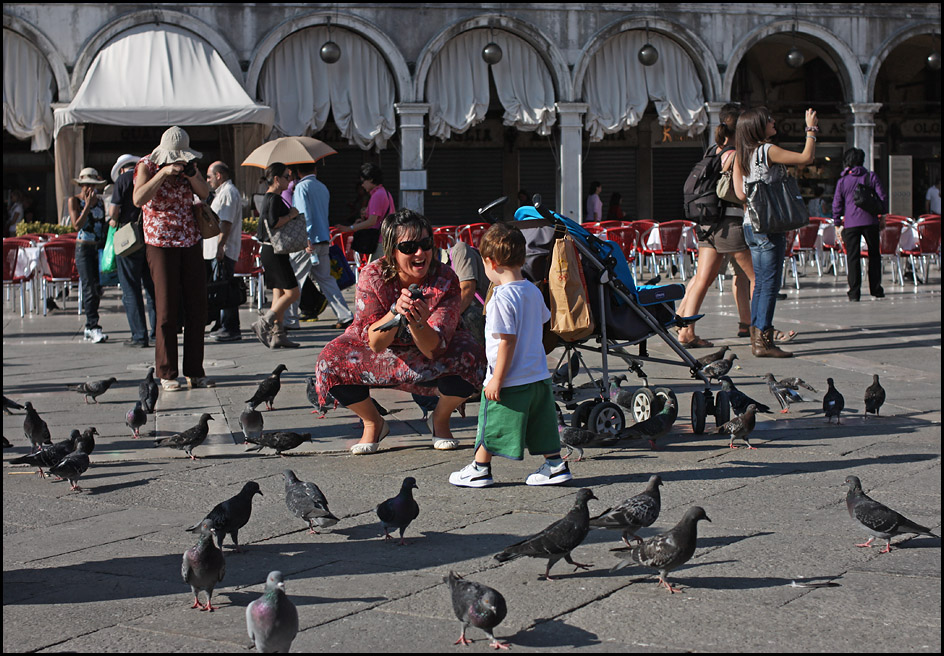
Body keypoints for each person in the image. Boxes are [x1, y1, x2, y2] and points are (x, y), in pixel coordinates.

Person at [314, 209, 486, 455]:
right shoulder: (372, 275)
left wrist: (417, 323)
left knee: (472, 356)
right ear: (392, 250)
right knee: (330, 360)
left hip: (431, 350)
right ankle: (374, 422)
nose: (420, 253)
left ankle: (440, 418)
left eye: (426, 244)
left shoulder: (445, 277)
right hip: (381, 348)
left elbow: (433, 348)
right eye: (409, 247)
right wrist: (396, 313)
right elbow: (374, 343)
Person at [448, 221, 570, 488]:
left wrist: (496, 379)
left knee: (491, 423)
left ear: (491, 263)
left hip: (510, 378)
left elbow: (506, 342)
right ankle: (555, 464)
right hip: (537, 375)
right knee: (542, 425)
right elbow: (541, 324)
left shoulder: (501, 298)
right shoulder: (533, 290)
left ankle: (480, 468)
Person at [132, 125, 215, 390]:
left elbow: (204, 193)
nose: (178, 161)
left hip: (190, 240)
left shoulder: (190, 165)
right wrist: (163, 173)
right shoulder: (147, 165)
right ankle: (167, 373)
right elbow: (138, 198)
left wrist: (191, 175)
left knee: (197, 307)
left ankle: (195, 370)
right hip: (160, 242)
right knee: (166, 308)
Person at [733, 106, 818, 358]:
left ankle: (756, 336)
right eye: (768, 119)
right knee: (769, 285)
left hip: (751, 224)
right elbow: (806, 158)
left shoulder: (741, 154)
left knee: (760, 284)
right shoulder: (766, 150)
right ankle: (764, 342)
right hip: (770, 227)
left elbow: (739, 194)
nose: (773, 121)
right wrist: (811, 129)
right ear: (758, 126)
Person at [676, 103, 756, 348]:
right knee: (758, 278)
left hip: (706, 224)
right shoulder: (733, 154)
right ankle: (762, 329)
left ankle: (685, 331)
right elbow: (739, 193)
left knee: (702, 279)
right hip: (727, 224)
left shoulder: (712, 150)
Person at [291, 162, 353, 329]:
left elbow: (304, 216)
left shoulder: (301, 188)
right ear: (315, 170)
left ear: (298, 171)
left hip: (308, 242)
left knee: (296, 279)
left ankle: (290, 319)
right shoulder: (323, 187)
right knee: (326, 279)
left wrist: (306, 239)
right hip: (324, 239)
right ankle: (345, 315)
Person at [251, 163, 301, 349]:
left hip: (270, 250)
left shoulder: (270, 198)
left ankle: (278, 334)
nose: (290, 181)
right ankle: (263, 323)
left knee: (279, 292)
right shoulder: (274, 199)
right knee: (293, 292)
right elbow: (273, 223)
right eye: (287, 177)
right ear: (277, 179)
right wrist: (291, 215)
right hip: (274, 251)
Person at [109, 154, 157, 348]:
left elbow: (113, 212)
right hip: (149, 236)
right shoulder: (149, 177)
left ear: (122, 169)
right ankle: (156, 334)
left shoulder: (122, 180)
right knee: (152, 288)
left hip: (129, 240)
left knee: (131, 288)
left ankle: (139, 335)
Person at [832, 147, 887, 302]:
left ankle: (854, 292)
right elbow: (882, 197)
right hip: (870, 221)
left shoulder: (843, 181)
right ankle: (876, 289)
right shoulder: (870, 177)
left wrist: (837, 222)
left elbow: (837, 203)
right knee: (874, 255)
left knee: (853, 257)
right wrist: (882, 215)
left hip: (850, 223)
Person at [68, 168, 110, 344]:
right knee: (89, 287)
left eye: (93, 185)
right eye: (86, 185)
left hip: (98, 248)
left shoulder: (100, 202)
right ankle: (93, 326)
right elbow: (76, 225)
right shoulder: (75, 201)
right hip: (83, 248)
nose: (90, 189)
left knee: (98, 288)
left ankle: (90, 325)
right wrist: (86, 205)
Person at [204, 161, 243, 341]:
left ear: (219, 175)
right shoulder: (223, 193)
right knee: (220, 287)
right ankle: (221, 323)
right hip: (218, 249)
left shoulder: (227, 193)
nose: (208, 181)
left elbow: (225, 223)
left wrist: (220, 247)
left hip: (223, 250)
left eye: (210, 177)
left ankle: (230, 326)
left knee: (225, 288)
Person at [336, 163, 395, 261]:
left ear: (371, 179)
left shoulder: (377, 195)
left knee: (376, 273)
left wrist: (349, 228)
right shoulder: (385, 193)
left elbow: (372, 221)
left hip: (379, 241)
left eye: (363, 181)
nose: (362, 185)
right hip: (385, 239)